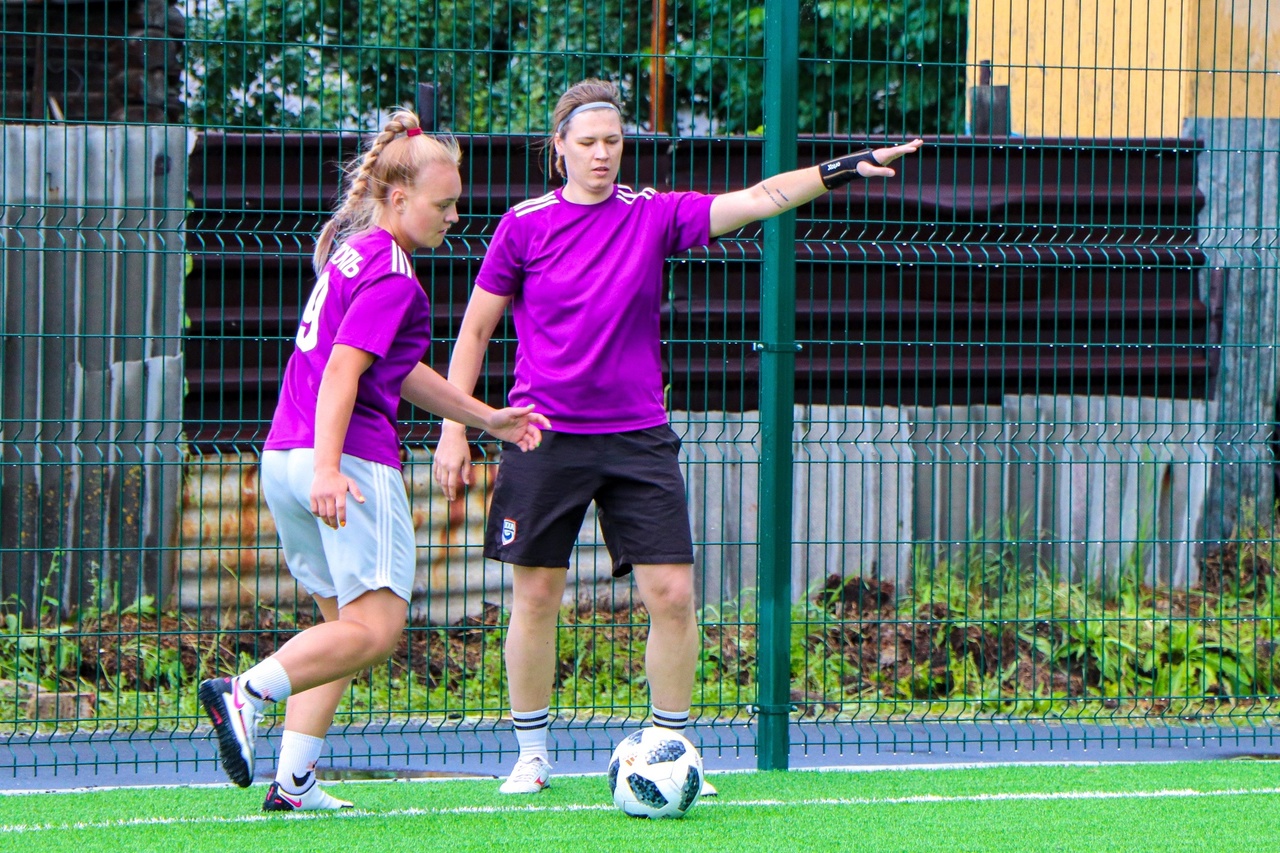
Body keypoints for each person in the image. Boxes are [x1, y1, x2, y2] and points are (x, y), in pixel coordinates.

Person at [431, 78, 923, 795]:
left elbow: (758, 199)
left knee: (672, 594)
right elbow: (475, 330)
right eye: (588, 142)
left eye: (613, 141)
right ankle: (531, 755)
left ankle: (669, 747)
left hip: (638, 438)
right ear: (559, 147)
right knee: (535, 597)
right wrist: (455, 429)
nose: (602, 155)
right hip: (542, 436)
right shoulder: (523, 226)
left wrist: (840, 168)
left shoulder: (652, 214)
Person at [198, 109, 550, 812]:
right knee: (376, 630)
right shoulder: (393, 274)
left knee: (342, 629)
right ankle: (247, 692)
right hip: (347, 463)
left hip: (286, 456)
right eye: (443, 204)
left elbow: (397, 368)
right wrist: (332, 468)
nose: (454, 217)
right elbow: (343, 373)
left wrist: (484, 418)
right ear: (397, 197)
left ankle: (294, 783)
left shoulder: (356, 251)